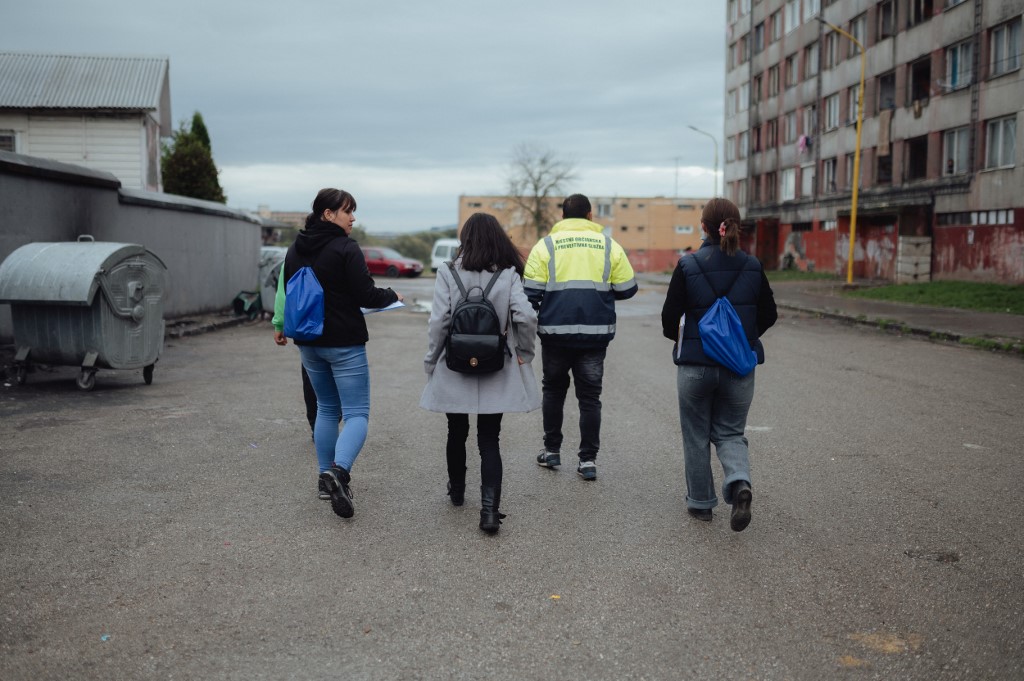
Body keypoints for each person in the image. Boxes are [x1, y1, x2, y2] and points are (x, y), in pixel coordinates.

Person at [274, 188, 403, 518]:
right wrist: (392, 295)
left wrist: (280, 323)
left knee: (327, 409)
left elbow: (288, 293)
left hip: (309, 343)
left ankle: (324, 479)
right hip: (344, 342)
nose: (353, 218)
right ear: (328, 214)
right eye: (348, 211)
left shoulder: (294, 248)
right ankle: (338, 471)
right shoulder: (346, 248)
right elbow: (366, 295)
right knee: (357, 413)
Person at [659, 198, 777, 532]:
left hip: (695, 366)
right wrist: (742, 338)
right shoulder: (752, 265)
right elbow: (769, 314)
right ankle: (739, 483)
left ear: (704, 227)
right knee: (730, 432)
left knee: (696, 434)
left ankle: (701, 504)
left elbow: (669, 319)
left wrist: (686, 338)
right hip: (739, 366)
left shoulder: (688, 265)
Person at [419, 213, 540, 534]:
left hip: (454, 363)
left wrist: (431, 360)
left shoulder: (447, 271)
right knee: (489, 438)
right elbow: (526, 317)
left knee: (455, 431)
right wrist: (524, 352)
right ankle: (489, 512)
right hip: (495, 363)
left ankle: (457, 492)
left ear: (465, 239)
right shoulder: (507, 273)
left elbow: (438, 322)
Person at [523, 193, 638, 481]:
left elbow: (530, 293)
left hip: (555, 335)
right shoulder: (608, 245)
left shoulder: (546, 245)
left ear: (562, 217)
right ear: (590, 216)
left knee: (553, 391)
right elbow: (627, 288)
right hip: (594, 336)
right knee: (590, 398)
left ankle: (551, 451)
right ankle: (587, 461)